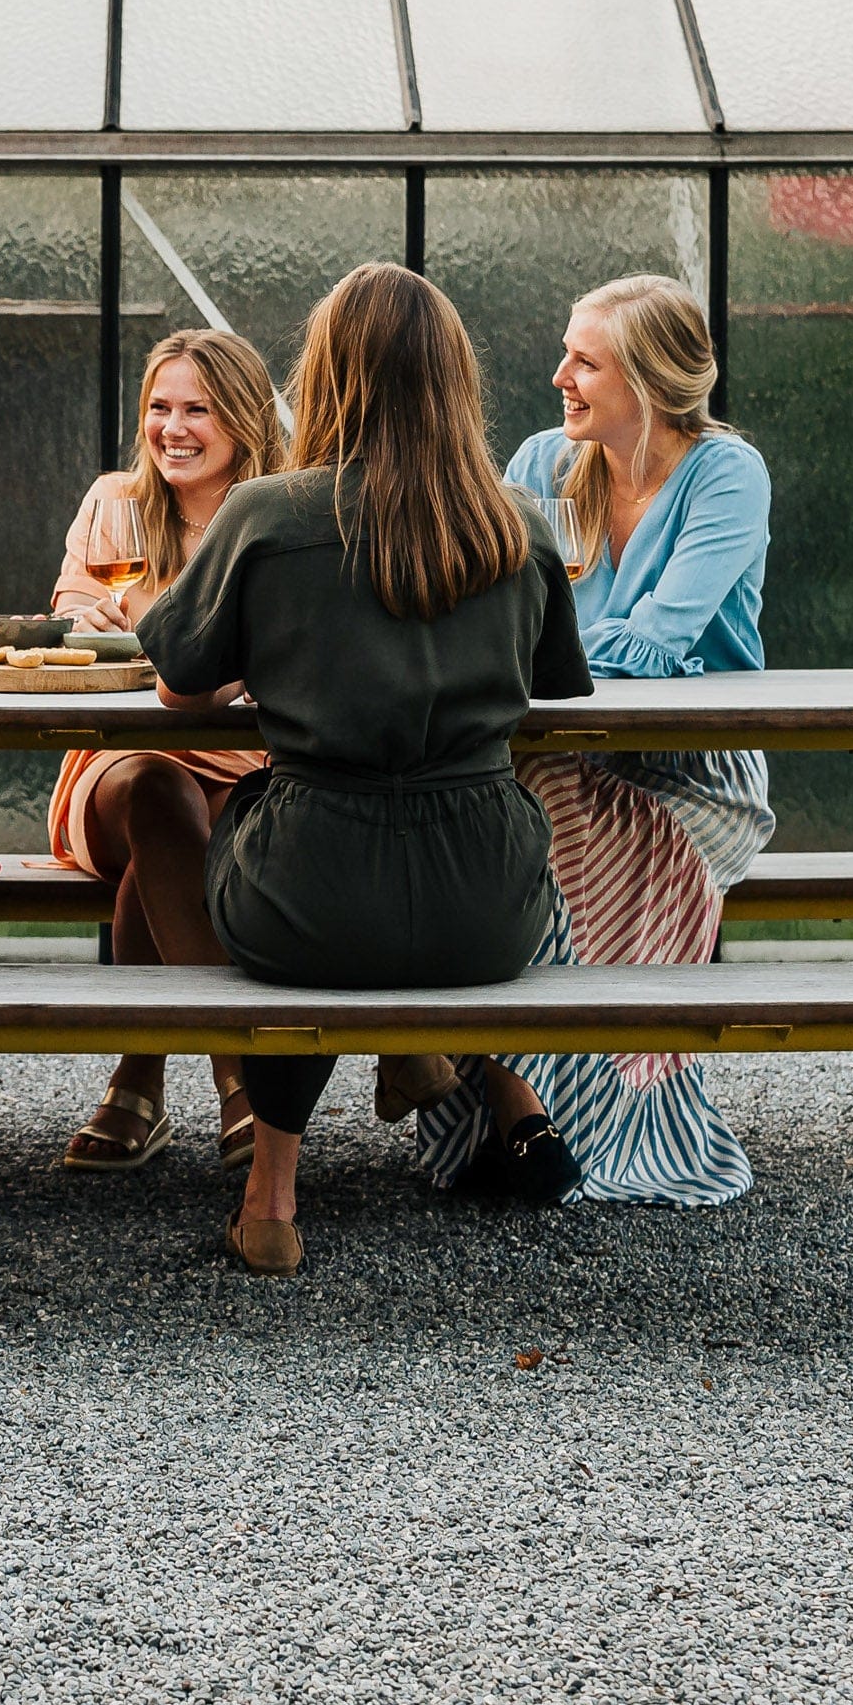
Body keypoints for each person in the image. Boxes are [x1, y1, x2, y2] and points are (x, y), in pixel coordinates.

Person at [136, 264, 594, 1276]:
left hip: (313, 890)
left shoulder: (264, 515)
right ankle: (420, 1060)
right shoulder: (515, 522)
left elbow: (177, 682)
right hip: (486, 905)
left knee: (206, 816)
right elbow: (557, 684)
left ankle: (270, 1190)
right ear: (455, 381)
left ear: (328, 374)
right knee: (342, 885)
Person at [408, 271, 769, 1207]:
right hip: (556, 754)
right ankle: (524, 1111)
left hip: (695, 773)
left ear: (646, 379)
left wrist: (548, 640)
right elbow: (471, 603)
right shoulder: (538, 463)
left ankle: (507, 1090)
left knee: (522, 818)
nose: (559, 373)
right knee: (487, 816)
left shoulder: (725, 475)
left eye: (584, 360)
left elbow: (659, 639)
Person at [44, 329, 281, 1174]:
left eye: (196, 409)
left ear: (243, 419)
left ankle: (136, 1080)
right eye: (158, 406)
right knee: (156, 791)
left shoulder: (275, 510)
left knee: (176, 846)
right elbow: (70, 615)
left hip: (239, 774)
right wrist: (83, 623)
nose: (172, 427)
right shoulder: (115, 502)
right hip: (118, 768)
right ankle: (237, 1076)